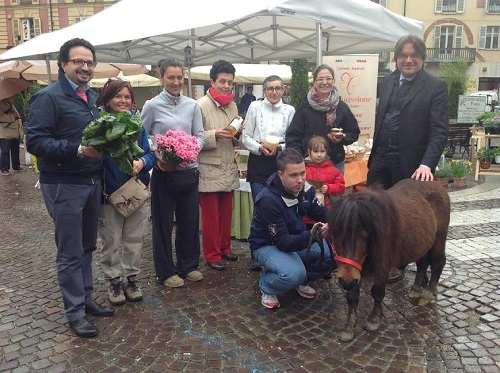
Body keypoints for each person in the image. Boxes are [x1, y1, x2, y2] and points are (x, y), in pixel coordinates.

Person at [26, 38, 114, 338]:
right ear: (63, 64)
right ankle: (75, 312)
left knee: (88, 245)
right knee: (69, 252)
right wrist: (78, 150)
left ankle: (86, 298)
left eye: (89, 62)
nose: (85, 67)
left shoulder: (91, 98)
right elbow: (35, 142)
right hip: (63, 184)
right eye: (78, 61)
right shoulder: (48, 97)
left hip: (91, 181)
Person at [367, 34, 449, 283]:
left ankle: (400, 259)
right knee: (375, 210)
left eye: (414, 55)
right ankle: (380, 257)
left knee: (403, 216)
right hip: (380, 157)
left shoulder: (435, 86)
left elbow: (439, 130)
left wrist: (427, 164)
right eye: (403, 55)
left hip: (410, 163)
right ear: (396, 58)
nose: (409, 59)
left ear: (422, 57)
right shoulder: (390, 80)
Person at [141, 58, 205, 287]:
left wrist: (188, 150)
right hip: (164, 173)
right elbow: (142, 136)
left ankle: (188, 265)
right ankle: (166, 271)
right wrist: (158, 151)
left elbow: (200, 135)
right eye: (171, 77)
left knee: (189, 222)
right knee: (163, 224)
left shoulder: (192, 105)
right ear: (161, 78)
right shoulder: (152, 105)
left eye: (179, 77)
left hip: (188, 172)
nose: (176, 82)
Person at [248, 148, 333, 309]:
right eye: (294, 175)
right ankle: (267, 284)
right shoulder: (268, 200)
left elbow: (319, 212)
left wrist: (341, 219)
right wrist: (314, 234)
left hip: (295, 239)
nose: (300, 180)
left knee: (332, 257)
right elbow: (283, 243)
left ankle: (299, 280)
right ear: (281, 175)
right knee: (293, 273)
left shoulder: (304, 189)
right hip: (267, 245)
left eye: (302, 173)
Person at [96, 78, 155, 305]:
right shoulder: (100, 124)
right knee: (111, 240)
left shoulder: (137, 124)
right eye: (118, 96)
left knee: (134, 239)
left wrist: (142, 162)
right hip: (109, 194)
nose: (123, 100)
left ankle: (131, 278)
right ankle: (113, 282)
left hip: (135, 192)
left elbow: (149, 154)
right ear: (108, 98)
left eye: (127, 97)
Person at [242, 75, 295, 270]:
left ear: (283, 90)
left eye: (277, 88)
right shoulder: (255, 107)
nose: (274, 92)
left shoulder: (290, 111)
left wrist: (279, 147)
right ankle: (256, 251)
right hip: (258, 161)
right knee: (260, 207)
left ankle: (279, 248)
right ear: (264, 91)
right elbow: (246, 137)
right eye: (270, 88)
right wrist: (259, 147)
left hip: (280, 162)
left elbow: (293, 139)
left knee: (282, 207)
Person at [197, 60, 240, 271]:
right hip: (209, 167)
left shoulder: (232, 105)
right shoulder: (200, 105)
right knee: (211, 217)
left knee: (226, 212)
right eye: (222, 81)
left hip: (227, 165)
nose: (226, 85)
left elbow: (235, 136)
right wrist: (214, 134)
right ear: (212, 82)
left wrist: (237, 133)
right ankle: (212, 254)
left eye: (229, 82)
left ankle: (225, 247)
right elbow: (193, 138)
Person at [286, 64, 360, 174]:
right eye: (320, 79)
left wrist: (343, 137)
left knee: (335, 190)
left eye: (328, 79)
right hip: (309, 164)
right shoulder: (305, 106)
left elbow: (354, 132)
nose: (325, 82)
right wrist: (298, 159)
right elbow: (293, 136)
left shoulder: (341, 107)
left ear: (333, 81)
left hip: (335, 163)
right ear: (314, 82)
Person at [303, 136, 345, 228]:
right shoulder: (303, 169)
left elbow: (341, 187)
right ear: (309, 152)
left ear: (326, 152)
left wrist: (329, 188)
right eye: (316, 151)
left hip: (326, 211)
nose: (319, 155)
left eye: (322, 151)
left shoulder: (333, 170)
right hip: (306, 214)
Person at [0, 97, 24, 176]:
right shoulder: (1, 104)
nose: (13, 97)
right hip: (6, 133)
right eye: (11, 96)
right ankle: (4, 169)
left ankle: (16, 166)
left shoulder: (11, 104)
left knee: (15, 150)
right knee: (5, 151)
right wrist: (13, 116)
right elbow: (1, 117)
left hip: (15, 131)